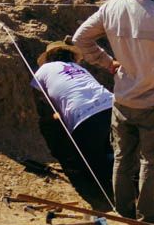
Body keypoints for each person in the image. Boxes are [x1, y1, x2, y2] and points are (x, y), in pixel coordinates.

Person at [70, 0, 154, 223]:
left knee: (123, 159)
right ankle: (149, 216)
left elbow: (80, 39)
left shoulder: (110, 8)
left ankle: (123, 213)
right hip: (153, 100)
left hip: (122, 98)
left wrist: (108, 62)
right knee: (152, 160)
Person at [30, 41, 115, 208]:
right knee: (114, 150)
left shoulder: (43, 70)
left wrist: (50, 119)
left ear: (49, 58)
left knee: (90, 164)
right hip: (113, 105)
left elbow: (36, 100)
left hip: (84, 116)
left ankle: (106, 196)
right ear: (70, 56)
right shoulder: (80, 69)